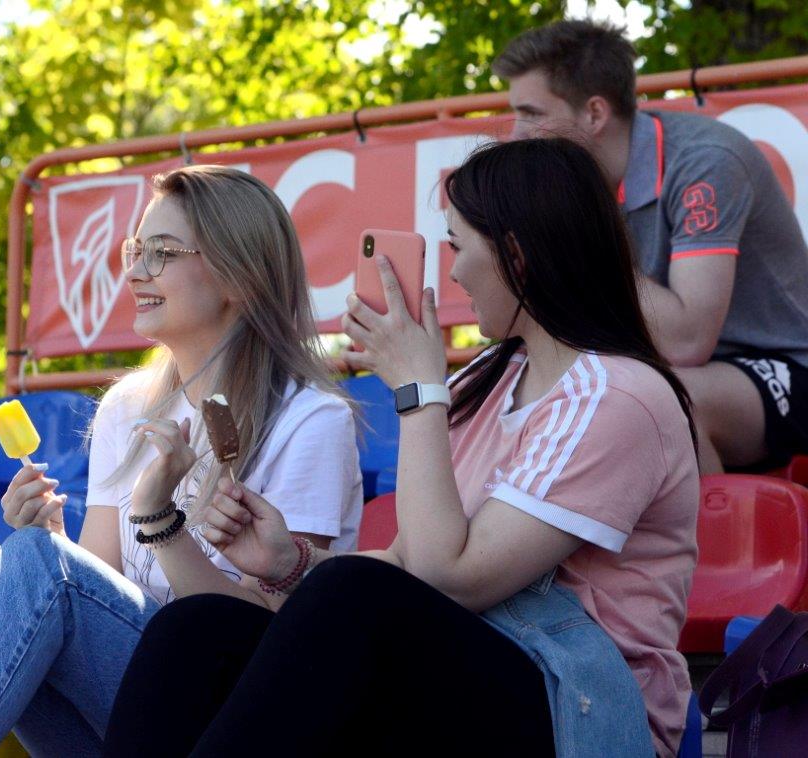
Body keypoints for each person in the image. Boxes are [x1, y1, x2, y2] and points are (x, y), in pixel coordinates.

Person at [102, 139, 700, 758]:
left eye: (458, 246)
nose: (453, 273)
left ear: (515, 256)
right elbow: (412, 559)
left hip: (580, 710)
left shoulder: (617, 397)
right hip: (462, 679)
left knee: (352, 593)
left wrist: (419, 390)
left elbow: (450, 579)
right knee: (197, 628)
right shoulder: (491, 378)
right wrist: (290, 563)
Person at [0, 165, 362, 758]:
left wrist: (160, 524)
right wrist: (48, 542)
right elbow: (100, 584)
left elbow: (266, 638)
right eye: (137, 250)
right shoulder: (128, 406)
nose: (134, 272)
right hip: (117, 711)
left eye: (162, 253)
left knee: (43, 564)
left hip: (218, 720)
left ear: (239, 274)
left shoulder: (310, 420)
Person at [492, 19, 808, 474]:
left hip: (787, 367)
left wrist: (576, 236)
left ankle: (711, 526)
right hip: (667, 368)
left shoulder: (705, 161)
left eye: (532, 114)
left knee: (666, 398)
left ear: (594, 114)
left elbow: (688, 342)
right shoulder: (575, 184)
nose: (516, 134)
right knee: (518, 390)